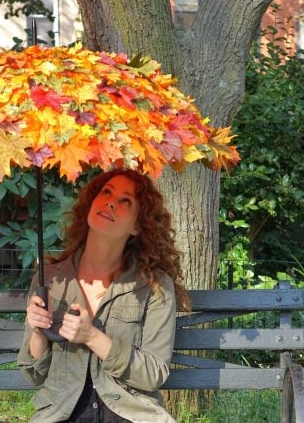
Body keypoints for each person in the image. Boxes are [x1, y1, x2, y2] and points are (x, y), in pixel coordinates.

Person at [18, 168, 191, 422]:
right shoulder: (51, 280)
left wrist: (92, 336)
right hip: (62, 414)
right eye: (106, 192)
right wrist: (37, 332)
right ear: (90, 203)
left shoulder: (154, 286)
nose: (110, 202)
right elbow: (33, 374)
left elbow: (153, 373)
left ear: (137, 226)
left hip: (130, 413)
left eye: (125, 202)